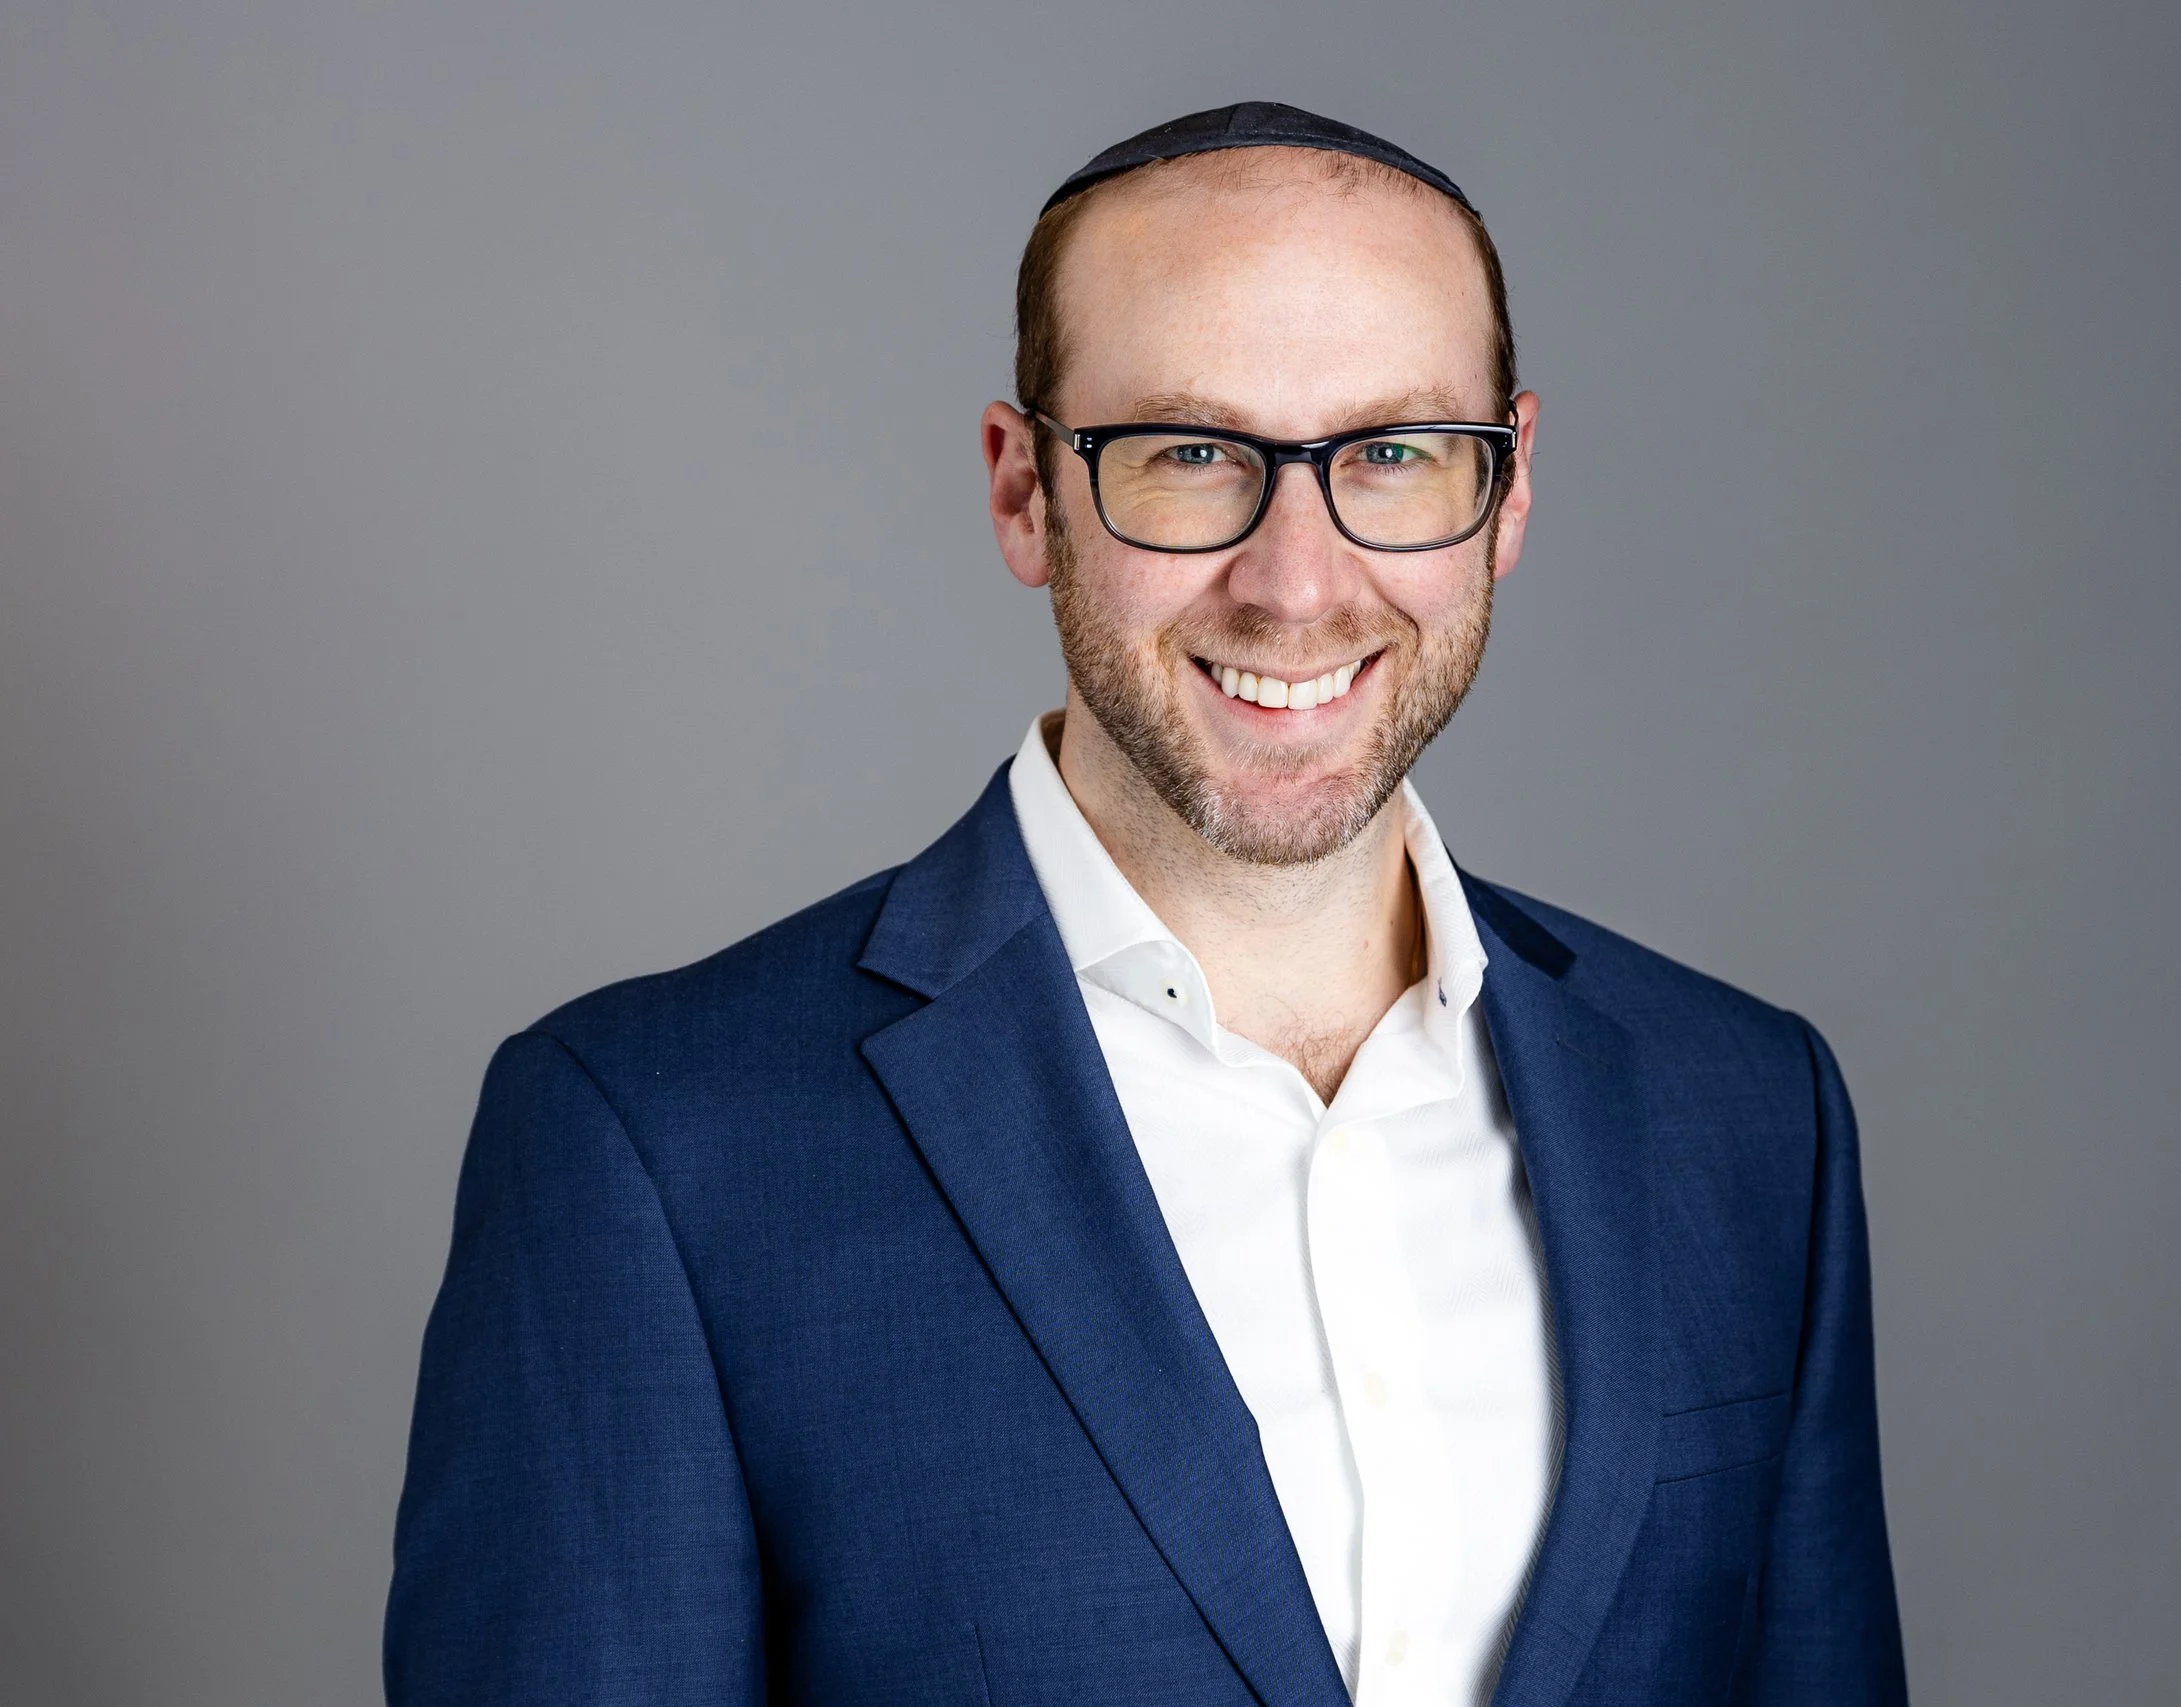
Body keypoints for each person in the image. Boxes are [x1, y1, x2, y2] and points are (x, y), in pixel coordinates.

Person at [385, 102, 1908, 1707]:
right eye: (1190, 454)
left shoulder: (1751, 1119)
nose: (1297, 582)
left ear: (1509, 488)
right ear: (1023, 491)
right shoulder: (655, 1148)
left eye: (1393, 453)